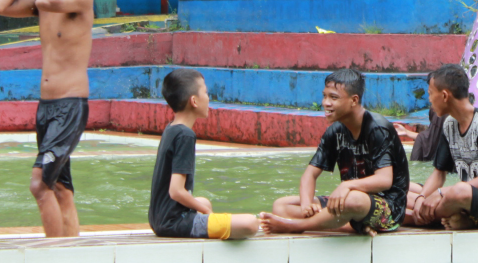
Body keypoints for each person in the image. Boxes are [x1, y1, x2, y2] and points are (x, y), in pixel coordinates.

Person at [0, 0, 95, 237]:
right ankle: (70, 250)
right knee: (60, 188)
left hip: (69, 105)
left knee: (39, 184)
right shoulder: (40, 4)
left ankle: (52, 254)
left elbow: (50, 0)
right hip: (47, 108)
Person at [262, 68, 409, 236]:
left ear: (354, 100)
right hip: (347, 202)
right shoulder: (335, 131)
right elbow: (309, 175)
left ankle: (296, 226)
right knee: (281, 206)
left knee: (353, 200)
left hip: (387, 209)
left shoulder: (378, 128)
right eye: (324, 96)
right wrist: (306, 205)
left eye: (333, 97)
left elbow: (384, 180)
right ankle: (352, 225)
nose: (326, 103)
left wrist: (347, 185)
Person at [407, 63, 478, 230]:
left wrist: (441, 193)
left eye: (431, 94)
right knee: (404, 191)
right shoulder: (449, 124)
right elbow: (439, 174)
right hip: (467, 202)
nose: (430, 100)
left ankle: (419, 218)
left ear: (445, 96)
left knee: (459, 190)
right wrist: (421, 198)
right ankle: (452, 217)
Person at [148, 69, 258, 239]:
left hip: (158, 218)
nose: (208, 98)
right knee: (250, 223)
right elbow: (176, 191)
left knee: (204, 201)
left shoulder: (172, 128)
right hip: (174, 222)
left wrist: (202, 207)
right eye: (205, 93)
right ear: (194, 101)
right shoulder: (185, 135)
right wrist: (207, 212)